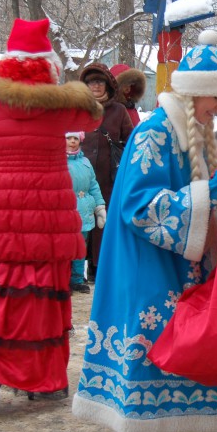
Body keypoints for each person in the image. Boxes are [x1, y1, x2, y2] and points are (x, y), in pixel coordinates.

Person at [72, 30, 217, 432]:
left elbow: (212, 187)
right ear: (195, 92)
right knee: (159, 414)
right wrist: (211, 194)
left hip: (198, 281)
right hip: (157, 279)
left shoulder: (202, 134)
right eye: (215, 96)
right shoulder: (154, 134)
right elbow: (140, 208)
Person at [0, 18, 103, 414]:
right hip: (47, 210)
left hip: (4, 209)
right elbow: (94, 117)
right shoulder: (62, 106)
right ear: (47, 64)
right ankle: (37, 380)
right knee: (41, 296)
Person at [80, 62, 134, 283]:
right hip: (79, 179)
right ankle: (75, 270)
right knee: (79, 221)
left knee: (104, 223)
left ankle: (98, 268)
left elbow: (131, 141)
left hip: (108, 179)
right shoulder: (76, 108)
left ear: (108, 86)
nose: (96, 86)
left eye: (100, 82)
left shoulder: (119, 111)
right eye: (91, 82)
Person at [65, 131, 105, 294]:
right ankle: (62, 278)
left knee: (80, 247)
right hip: (66, 211)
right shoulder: (57, 162)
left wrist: (100, 208)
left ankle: (77, 278)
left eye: (76, 138)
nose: (72, 142)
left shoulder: (85, 162)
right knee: (65, 248)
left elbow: (93, 185)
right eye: (69, 138)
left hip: (84, 212)